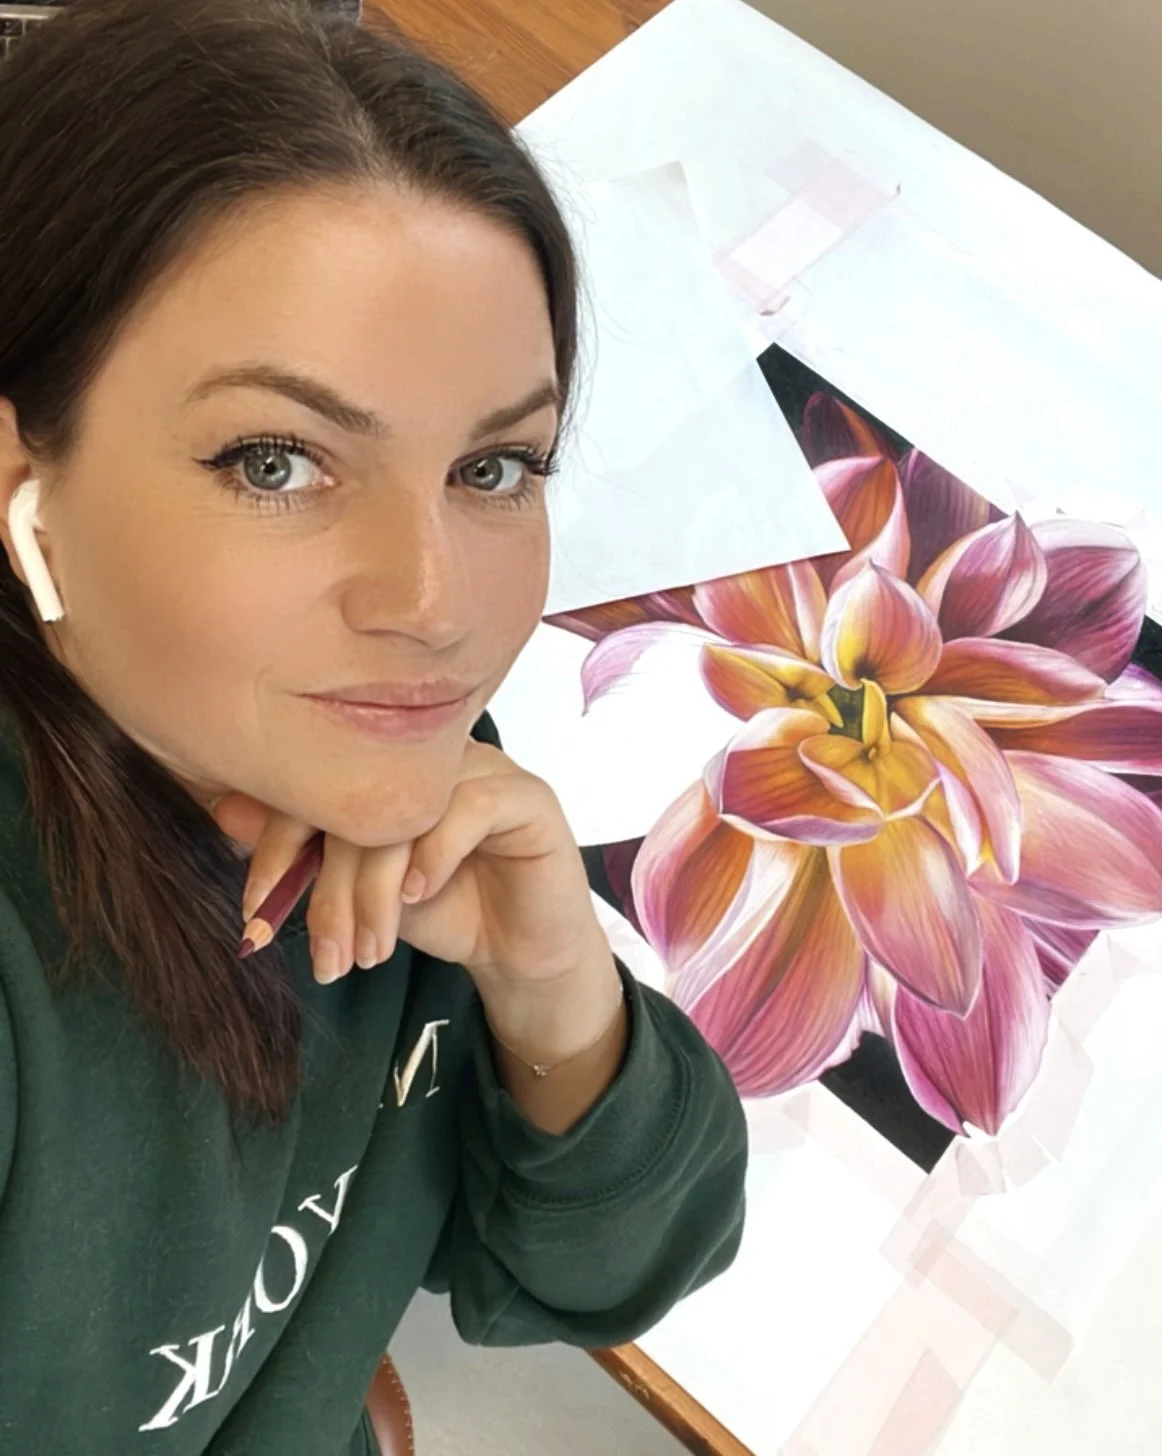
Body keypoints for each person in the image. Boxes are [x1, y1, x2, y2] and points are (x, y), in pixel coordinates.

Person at [0, 1, 749, 1452]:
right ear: (23, 467)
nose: (432, 602)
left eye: (496, 465)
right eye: (276, 460)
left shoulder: (392, 770)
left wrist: (553, 982)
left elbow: (612, 1268)